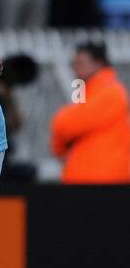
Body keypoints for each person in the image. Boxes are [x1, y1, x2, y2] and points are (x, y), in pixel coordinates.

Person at [50, 42, 130, 184]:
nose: (75, 69)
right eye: (74, 64)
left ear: (98, 63)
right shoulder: (88, 91)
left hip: (104, 180)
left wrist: (61, 127)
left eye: (80, 63)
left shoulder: (112, 92)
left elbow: (66, 124)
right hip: (90, 178)